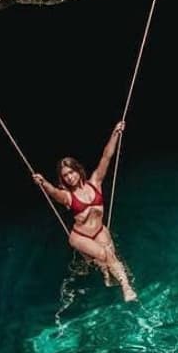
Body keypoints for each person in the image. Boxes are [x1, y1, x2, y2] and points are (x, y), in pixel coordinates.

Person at [33, 121, 137, 302]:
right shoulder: (68, 197)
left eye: (71, 172)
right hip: (80, 236)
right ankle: (126, 289)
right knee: (106, 255)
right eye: (65, 175)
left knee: (109, 259)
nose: (70, 177)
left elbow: (106, 157)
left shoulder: (95, 183)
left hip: (98, 230)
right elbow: (54, 194)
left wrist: (115, 133)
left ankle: (107, 275)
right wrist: (44, 183)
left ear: (78, 170)